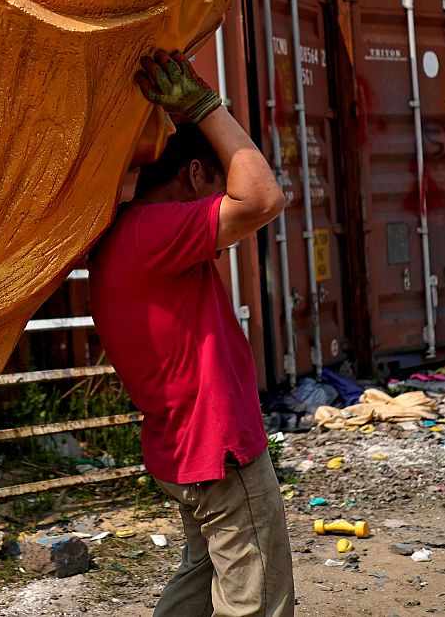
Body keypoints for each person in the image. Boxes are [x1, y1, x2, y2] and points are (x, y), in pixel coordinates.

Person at [89, 49, 293, 616]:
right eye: (217, 185)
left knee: (201, 578)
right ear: (196, 173)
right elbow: (263, 198)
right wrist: (205, 107)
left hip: (184, 448)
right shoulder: (154, 232)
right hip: (216, 444)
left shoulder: (126, 237)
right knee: (255, 602)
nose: (221, 205)